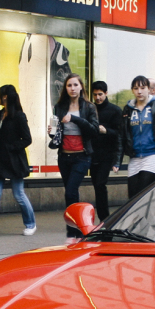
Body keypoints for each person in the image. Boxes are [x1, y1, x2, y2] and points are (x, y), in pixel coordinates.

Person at [0, 84, 37, 237]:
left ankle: (30, 223)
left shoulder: (18, 115)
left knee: (18, 194)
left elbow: (27, 139)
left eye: (0, 95)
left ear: (5, 96)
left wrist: (11, 147)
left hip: (13, 160)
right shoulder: (0, 114)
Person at [50, 73, 100, 243]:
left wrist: (75, 119)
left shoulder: (89, 107)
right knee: (71, 195)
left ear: (81, 87)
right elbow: (55, 132)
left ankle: (73, 233)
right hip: (64, 156)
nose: (72, 88)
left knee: (71, 191)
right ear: (66, 88)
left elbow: (93, 130)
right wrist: (52, 129)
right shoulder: (59, 106)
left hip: (82, 156)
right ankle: (77, 231)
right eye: (69, 85)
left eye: (75, 85)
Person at [121, 74, 155, 197]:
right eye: (135, 88)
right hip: (134, 158)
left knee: (144, 194)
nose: (139, 91)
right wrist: (117, 161)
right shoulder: (128, 109)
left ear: (149, 89)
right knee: (133, 197)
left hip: (153, 156)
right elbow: (123, 134)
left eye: (142, 88)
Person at [89, 80, 123, 222]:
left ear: (106, 93)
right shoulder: (90, 109)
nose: (98, 98)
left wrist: (106, 131)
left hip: (107, 154)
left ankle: (104, 217)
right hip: (92, 154)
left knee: (100, 184)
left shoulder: (115, 110)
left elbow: (120, 134)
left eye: (100, 94)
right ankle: (103, 217)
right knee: (97, 185)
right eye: (95, 95)